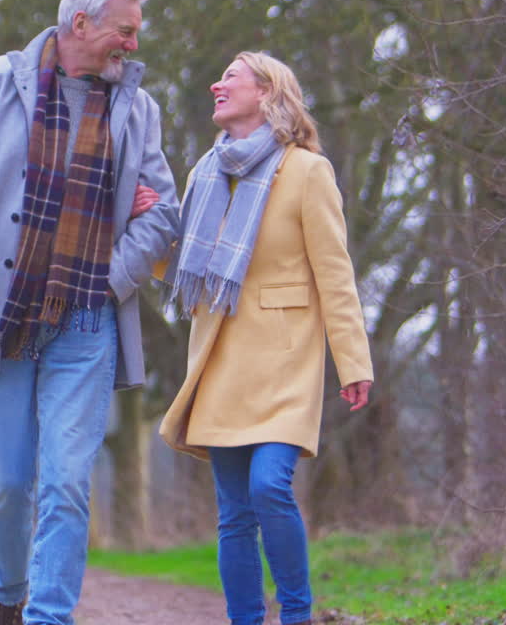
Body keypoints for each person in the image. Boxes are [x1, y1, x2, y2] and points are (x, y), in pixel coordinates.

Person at [0, 0, 182, 625]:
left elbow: (163, 213)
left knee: (65, 481)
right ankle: (8, 594)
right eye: (125, 30)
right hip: (2, 317)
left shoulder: (138, 110)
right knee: (8, 481)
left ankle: (49, 616)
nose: (133, 45)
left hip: (88, 321)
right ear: (81, 24)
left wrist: (115, 275)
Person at [144, 52, 374, 625]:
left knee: (270, 487)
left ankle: (296, 614)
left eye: (231, 77)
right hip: (219, 360)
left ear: (269, 92)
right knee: (232, 514)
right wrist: (149, 225)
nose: (215, 84)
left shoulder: (305, 171)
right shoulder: (205, 172)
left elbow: (335, 274)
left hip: (284, 361)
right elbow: (183, 267)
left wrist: (353, 362)